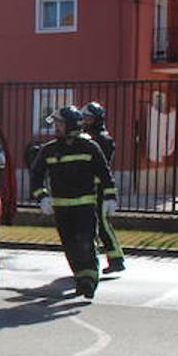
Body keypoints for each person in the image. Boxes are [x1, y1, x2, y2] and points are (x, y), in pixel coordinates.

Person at [29, 106, 117, 299]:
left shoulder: (90, 147)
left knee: (85, 243)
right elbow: (36, 175)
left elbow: (104, 174)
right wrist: (42, 196)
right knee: (70, 246)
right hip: (61, 208)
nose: (56, 128)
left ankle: (89, 280)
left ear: (70, 125)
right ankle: (81, 278)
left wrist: (110, 197)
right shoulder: (49, 150)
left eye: (59, 124)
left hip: (84, 207)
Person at [81, 101, 126, 274]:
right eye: (84, 117)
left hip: (98, 187)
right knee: (93, 224)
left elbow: (100, 165)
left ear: (97, 119)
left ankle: (116, 258)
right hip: (87, 187)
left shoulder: (102, 139)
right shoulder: (89, 136)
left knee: (102, 223)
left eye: (88, 118)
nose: (85, 120)